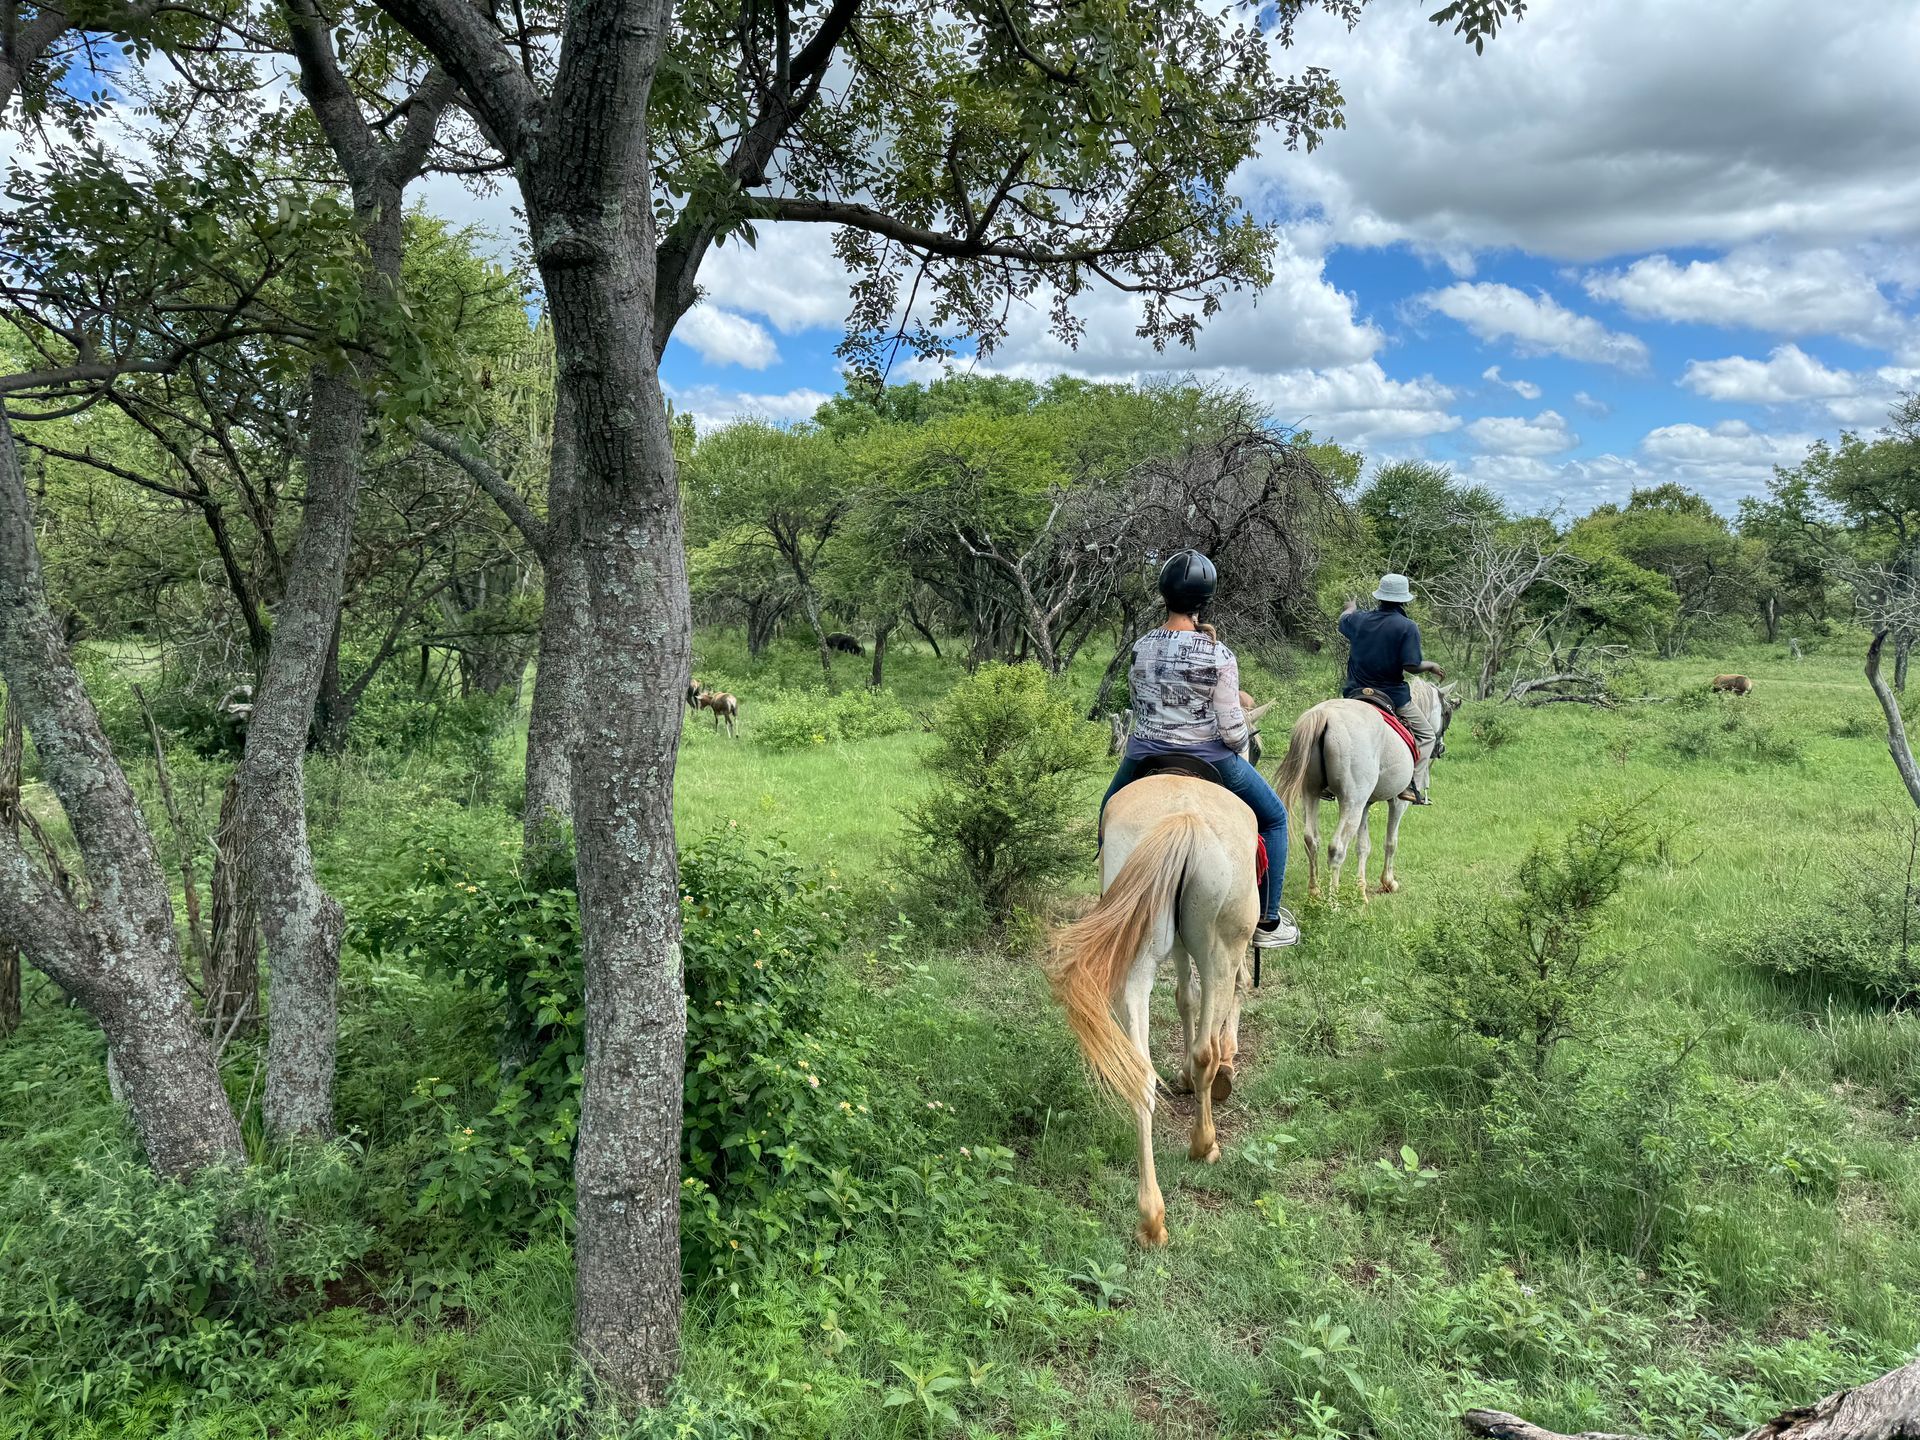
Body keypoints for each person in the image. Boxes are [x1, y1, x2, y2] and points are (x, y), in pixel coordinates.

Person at [1102, 550, 1298, 948]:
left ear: (1164, 595)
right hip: (1208, 757)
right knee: (1275, 818)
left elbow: (1142, 703)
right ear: (1203, 601)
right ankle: (1268, 919)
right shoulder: (1219, 654)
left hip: (1145, 754)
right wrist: (1244, 743)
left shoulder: (1141, 646)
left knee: (1108, 812)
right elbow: (1230, 731)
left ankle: (1107, 898)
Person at [1338, 573, 1447, 804]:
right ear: (1403, 600)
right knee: (1427, 735)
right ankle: (1411, 784)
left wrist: (1350, 608)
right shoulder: (1407, 626)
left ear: (1380, 597)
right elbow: (1411, 665)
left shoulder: (1359, 620)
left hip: (1354, 694)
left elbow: (1343, 620)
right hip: (1391, 697)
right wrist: (1431, 666)